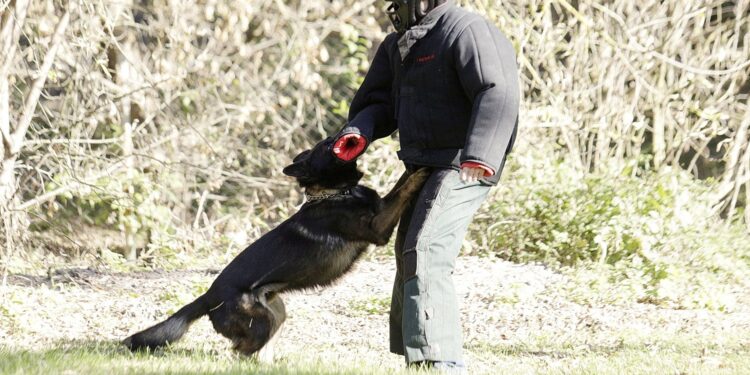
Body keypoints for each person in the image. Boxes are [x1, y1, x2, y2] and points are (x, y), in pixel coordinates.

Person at [329, 0, 520, 370]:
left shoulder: (465, 29)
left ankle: (441, 362)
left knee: (427, 246)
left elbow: (498, 90)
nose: (392, 6)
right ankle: (418, 359)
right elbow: (379, 102)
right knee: (408, 251)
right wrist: (359, 132)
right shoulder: (397, 45)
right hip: (423, 163)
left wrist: (480, 155)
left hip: (465, 163)